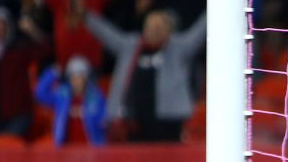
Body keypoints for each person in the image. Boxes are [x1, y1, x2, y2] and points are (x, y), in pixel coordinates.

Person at [85, 8, 205, 142]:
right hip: (132, 123)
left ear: (168, 31)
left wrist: (219, 3)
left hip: (168, 123)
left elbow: (200, 32)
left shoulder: (178, 48)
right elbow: (105, 33)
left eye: (159, 27)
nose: (154, 31)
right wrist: (85, 15)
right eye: (150, 27)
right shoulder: (130, 46)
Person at [0, 6, 48, 141]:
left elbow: (47, 48)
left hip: (19, 116)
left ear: (8, 28)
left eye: (1, 24)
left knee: (7, 146)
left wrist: (33, 31)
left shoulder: (20, 49)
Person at [34, 55, 107, 145]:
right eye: (73, 77)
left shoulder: (96, 97)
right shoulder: (62, 95)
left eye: (80, 77)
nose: (76, 81)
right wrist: (52, 73)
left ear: (86, 78)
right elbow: (40, 94)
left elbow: (104, 120)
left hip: (90, 149)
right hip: (67, 149)